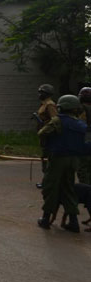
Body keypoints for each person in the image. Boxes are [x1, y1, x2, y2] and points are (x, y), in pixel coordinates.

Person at [37, 95, 89, 233]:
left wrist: (48, 145)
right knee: (69, 189)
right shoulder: (81, 124)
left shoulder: (57, 121)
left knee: (50, 187)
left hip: (58, 159)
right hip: (74, 161)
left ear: (61, 107)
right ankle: (73, 222)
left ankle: (46, 219)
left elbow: (42, 133)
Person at [35, 84, 58, 189]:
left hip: (48, 135)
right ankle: (47, 180)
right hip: (43, 135)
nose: (39, 94)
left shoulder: (50, 105)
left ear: (47, 94)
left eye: (41, 92)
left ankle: (48, 182)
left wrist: (45, 128)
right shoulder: (44, 104)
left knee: (48, 158)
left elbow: (54, 120)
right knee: (44, 157)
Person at [77, 87, 91, 184]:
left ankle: (86, 190)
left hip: (85, 138)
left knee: (83, 167)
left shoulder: (82, 109)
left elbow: (81, 124)